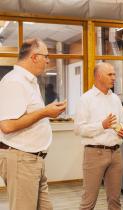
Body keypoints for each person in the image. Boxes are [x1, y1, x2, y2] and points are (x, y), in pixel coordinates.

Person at [0, 38, 67, 210]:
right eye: (46, 56)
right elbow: (7, 126)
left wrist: (47, 112)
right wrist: (45, 112)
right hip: (21, 159)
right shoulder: (15, 81)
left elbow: (29, 115)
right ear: (34, 57)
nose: (48, 60)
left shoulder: (30, 82)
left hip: (33, 159)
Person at [74, 62, 123, 210]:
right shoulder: (86, 99)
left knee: (115, 200)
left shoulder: (115, 98)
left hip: (116, 153)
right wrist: (101, 125)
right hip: (94, 153)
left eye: (114, 74)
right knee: (88, 201)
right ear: (98, 76)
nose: (114, 77)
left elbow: (122, 122)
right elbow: (78, 129)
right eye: (110, 74)